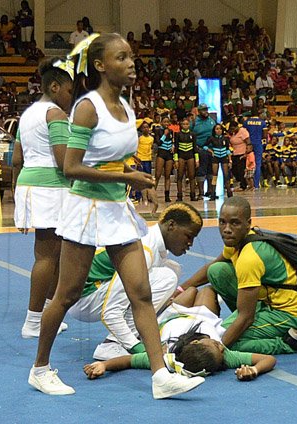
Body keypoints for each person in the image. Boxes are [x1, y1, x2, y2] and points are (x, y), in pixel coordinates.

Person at [29, 33, 204, 399]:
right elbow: (72, 167)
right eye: (121, 57)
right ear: (100, 65)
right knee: (65, 295)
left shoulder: (126, 106)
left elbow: (118, 157)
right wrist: (127, 177)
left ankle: (160, 376)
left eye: (131, 57)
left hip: (117, 210)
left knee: (140, 294)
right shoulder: (87, 108)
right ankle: (40, 368)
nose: (131, 63)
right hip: (85, 211)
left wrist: (140, 183)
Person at [175, 196, 297, 355]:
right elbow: (211, 267)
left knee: (233, 341)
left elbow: (246, 317)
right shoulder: (238, 240)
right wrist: (180, 289)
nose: (227, 229)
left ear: (248, 224)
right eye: (222, 222)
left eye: (235, 223)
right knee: (217, 271)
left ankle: (288, 343)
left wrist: (217, 347)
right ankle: (245, 320)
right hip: (265, 300)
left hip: (288, 313)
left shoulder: (249, 258)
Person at [68, 203, 203, 360]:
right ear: (171, 225)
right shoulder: (145, 249)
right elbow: (110, 312)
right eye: (188, 236)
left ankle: (131, 333)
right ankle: (113, 344)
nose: (190, 244)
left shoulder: (154, 245)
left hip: (92, 293)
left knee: (172, 269)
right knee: (167, 277)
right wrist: (137, 348)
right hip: (85, 298)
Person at [83, 286, 277, 380]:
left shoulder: (165, 357)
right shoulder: (225, 356)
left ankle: (182, 293)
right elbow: (268, 359)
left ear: (194, 344)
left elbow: (129, 361)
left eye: (216, 345)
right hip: (205, 320)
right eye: (219, 347)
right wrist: (254, 369)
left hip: (171, 316)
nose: (221, 345)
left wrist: (103, 365)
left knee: (191, 291)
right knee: (206, 291)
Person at [12, 58, 74, 338]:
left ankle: (46, 315)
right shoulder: (56, 115)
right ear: (54, 86)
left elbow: (16, 159)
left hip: (30, 183)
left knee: (54, 255)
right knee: (48, 256)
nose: (72, 99)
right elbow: (65, 163)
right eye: (70, 92)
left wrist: (17, 195)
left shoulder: (26, 115)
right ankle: (33, 320)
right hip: (50, 187)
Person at [191, 104, 216, 198]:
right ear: (199, 111)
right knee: (201, 170)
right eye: (203, 110)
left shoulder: (211, 121)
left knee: (211, 171)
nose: (206, 111)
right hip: (200, 149)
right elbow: (189, 133)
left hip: (212, 149)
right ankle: (201, 192)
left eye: (206, 109)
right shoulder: (194, 122)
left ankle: (210, 191)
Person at [204, 124, 232, 199]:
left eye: (220, 129)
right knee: (214, 175)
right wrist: (211, 151)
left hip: (224, 157)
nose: (218, 130)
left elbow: (228, 150)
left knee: (226, 175)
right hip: (215, 157)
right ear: (214, 130)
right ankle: (213, 193)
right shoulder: (211, 138)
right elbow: (205, 146)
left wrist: (230, 160)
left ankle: (229, 192)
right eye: (217, 129)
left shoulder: (225, 138)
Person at [174, 118, 199, 201]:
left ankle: (193, 195)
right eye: (183, 124)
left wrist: (197, 159)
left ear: (189, 125)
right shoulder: (178, 134)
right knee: (180, 176)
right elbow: (176, 148)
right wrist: (176, 160)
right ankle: (179, 195)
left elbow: (195, 148)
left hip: (190, 155)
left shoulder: (193, 134)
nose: (185, 125)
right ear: (181, 125)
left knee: (192, 176)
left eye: (187, 124)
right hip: (181, 155)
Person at [243, 114, 268, 188]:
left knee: (248, 162)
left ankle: (248, 184)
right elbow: (265, 135)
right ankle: (256, 184)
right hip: (258, 144)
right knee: (257, 163)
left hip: (248, 144)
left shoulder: (246, 122)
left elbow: (244, 133)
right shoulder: (262, 122)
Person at [153, 127, 175, 203]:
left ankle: (167, 195)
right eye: (164, 122)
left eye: (167, 122)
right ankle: (152, 195)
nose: (166, 124)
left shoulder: (171, 131)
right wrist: (165, 135)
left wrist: (173, 146)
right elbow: (158, 143)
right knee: (157, 175)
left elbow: (173, 142)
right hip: (161, 153)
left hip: (169, 154)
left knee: (167, 175)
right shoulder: (158, 131)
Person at [228, 121, 250, 191]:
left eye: (234, 128)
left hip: (242, 153)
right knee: (234, 169)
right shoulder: (233, 133)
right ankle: (240, 182)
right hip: (235, 153)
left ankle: (243, 186)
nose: (233, 130)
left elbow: (248, 142)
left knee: (241, 170)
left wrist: (246, 153)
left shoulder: (243, 131)